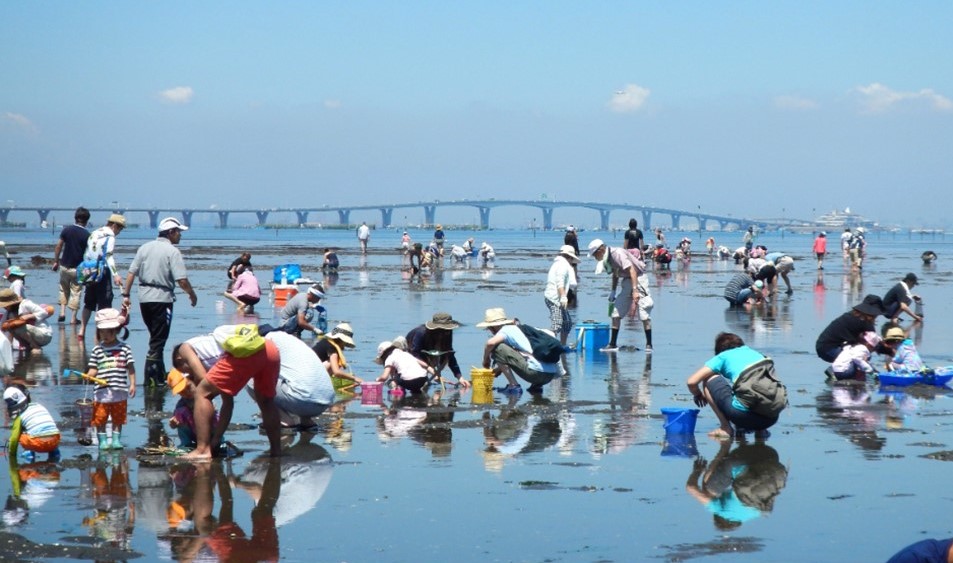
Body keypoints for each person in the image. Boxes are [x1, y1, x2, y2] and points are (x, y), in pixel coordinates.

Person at [123, 217, 197, 387]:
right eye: (178, 232)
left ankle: (159, 372)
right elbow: (182, 280)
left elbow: (131, 273)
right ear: (170, 232)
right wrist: (192, 295)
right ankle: (151, 378)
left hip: (144, 298)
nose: (180, 235)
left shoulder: (144, 247)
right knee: (158, 340)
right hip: (162, 299)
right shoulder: (172, 252)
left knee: (156, 337)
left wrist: (126, 295)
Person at [182, 337, 282, 460]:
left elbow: (202, 378)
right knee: (266, 401)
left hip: (244, 352)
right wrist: (217, 438)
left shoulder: (184, 349)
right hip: (268, 347)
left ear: (179, 360)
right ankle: (276, 451)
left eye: (185, 371)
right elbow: (227, 402)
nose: (189, 374)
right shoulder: (211, 348)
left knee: (201, 393)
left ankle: (202, 450)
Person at [685, 332, 779, 439]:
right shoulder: (758, 355)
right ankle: (761, 431)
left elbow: (691, 382)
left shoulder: (723, 356)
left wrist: (698, 395)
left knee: (707, 378)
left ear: (719, 351)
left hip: (742, 416)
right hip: (772, 418)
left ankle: (725, 428)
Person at [253, 330, 335, 430]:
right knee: (300, 380)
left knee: (254, 378)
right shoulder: (293, 343)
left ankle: (284, 419)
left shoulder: (270, 343)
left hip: (304, 401)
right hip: (325, 403)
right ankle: (306, 420)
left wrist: (266, 405)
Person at [86, 308, 136, 450]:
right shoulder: (97, 350)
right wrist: (89, 375)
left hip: (119, 389)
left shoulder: (125, 348)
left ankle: (115, 440)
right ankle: (102, 440)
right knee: (100, 417)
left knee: (118, 417)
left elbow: (130, 367)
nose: (105, 335)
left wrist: (132, 384)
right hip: (101, 391)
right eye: (102, 332)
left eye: (109, 331)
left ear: (117, 330)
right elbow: (94, 368)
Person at [478, 307, 559, 395]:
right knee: (531, 353)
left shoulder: (505, 330)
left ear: (493, 327)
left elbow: (490, 344)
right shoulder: (523, 329)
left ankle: (513, 386)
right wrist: (499, 369)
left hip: (535, 374)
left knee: (498, 347)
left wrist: (486, 360)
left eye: (489, 328)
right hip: (550, 375)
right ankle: (536, 387)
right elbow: (519, 355)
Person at [587, 239, 649, 352]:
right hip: (627, 280)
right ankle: (612, 344)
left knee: (644, 312)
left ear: (600, 250)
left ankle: (649, 345)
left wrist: (635, 290)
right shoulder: (608, 259)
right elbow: (615, 275)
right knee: (615, 313)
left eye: (594, 255)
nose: (595, 258)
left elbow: (633, 271)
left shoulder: (617, 253)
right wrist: (613, 291)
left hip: (639, 277)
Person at [78, 213, 126, 341]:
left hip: (89, 269)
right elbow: (109, 256)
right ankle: (97, 335)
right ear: (114, 225)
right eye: (120, 229)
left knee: (88, 303)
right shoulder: (109, 236)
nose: (119, 232)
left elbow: (87, 253)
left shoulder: (94, 233)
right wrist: (116, 274)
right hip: (102, 271)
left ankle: (82, 329)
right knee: (104, 304)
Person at [403, 312, 470, 388]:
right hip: (410, 355)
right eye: (442, 330)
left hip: (428, 353)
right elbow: (414, 355)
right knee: (416, 381)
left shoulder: (448, 333)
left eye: (447, 330)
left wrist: (460, 377)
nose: (445, 333)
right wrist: (434, 373)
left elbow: (450, 355)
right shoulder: (421, 333)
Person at [815, 294, 884, 362]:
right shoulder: (862, 321)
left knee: (862, 354)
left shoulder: (855, 315)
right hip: (828, 349)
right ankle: (839, 371)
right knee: (862, 355)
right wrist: (890, 350)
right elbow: (874, 342)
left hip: (822, 346)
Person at [51, 206, 91, 324]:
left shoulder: (66, 230)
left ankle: (62, 312)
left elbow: (58, 246)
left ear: (75, 218)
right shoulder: (87, 235)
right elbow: (88, 254)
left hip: (64, 265)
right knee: (76, 291)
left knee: (63, 289)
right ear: (87, 220)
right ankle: (73, 318)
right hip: (78, 268)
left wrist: (56, 261)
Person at [4, 385, 60, 463]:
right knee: (47, 430)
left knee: (22, 435)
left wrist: (11, 455)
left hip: (37, 443)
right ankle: (55, 453)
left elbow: (14, 439)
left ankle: (29, 454)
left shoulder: (20, 416)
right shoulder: (39, 406)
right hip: (55, 440)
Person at [167, 369, 221, 449]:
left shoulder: (205, 395)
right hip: (194, 432)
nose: (186, 393)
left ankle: (219, 441)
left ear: (193, 380)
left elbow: (214, 411)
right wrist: (174, 423)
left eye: (188, 387)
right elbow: (176, 421)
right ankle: (186, 444)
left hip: (210, 431)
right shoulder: (182, 403)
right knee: (180, 413)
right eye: (181, 392)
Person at [544, 245, 579, 346]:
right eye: (572, 258)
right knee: (557, 324)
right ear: (569, 257)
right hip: (553, 298)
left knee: (567, 323)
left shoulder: (560, 264)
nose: (572, 261)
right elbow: (560, 282)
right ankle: (548, 345)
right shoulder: (562, 265)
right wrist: (563, 296)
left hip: (558, 298)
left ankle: (562, 345)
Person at [0, 288, 53, 354]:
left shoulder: (25, 304)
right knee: (10, 326)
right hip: (31, 335)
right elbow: (2, 327)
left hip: (44, 335)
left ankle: (36, 347)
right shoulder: (9, 313)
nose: (4, 307)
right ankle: (28, 346)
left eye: (6, 305)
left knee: (18, 328)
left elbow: (44, 313)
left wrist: (29, 316)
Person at [312, 322, 361, 389]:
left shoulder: (326, 341)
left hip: (307, 371)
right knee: (335, 363)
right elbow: (336, 372)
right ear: (341, 339)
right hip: (311, 375)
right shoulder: (332, 348)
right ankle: (320, 383)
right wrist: (355, 378)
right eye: (345, 343)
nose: (344, 347)